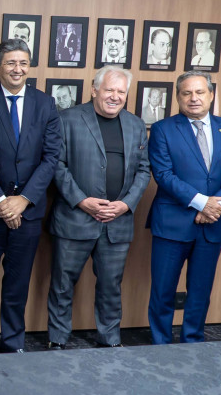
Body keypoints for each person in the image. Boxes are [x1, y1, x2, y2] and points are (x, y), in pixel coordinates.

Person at [46, 65, 150, 349]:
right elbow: (57, 165)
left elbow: (144, 170)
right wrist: (82, 200)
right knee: (63, 284)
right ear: (94, 90)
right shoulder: (67, 119)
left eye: (121, 91)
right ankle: (57, 339)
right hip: (74, 218)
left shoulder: (136, 124)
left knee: (110, 287)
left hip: (117, 223)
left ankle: (110, 339)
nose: (115, 96)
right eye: (109, 90)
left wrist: (125, 205)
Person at [0, 40, 61, 355]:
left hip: (29, 211)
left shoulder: (45, 104)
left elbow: (51, 158)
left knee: (17, 283)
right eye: (10, 63)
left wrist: (23, 200)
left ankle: (12, 342)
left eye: (22, 62)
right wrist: (1, 201)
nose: (17, 69)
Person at [147, 71, 221, 345]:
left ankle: (193, 342)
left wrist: (214, 205)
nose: (193, 98)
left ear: (211, 95)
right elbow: (164, 175)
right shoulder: (162, 129)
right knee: (163, 291)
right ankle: (161, 344)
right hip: (172, 224)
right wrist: (202, 202)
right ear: (178, 97)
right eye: (186, 93)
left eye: (200, 92)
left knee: (200, 291)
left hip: (213, 224)